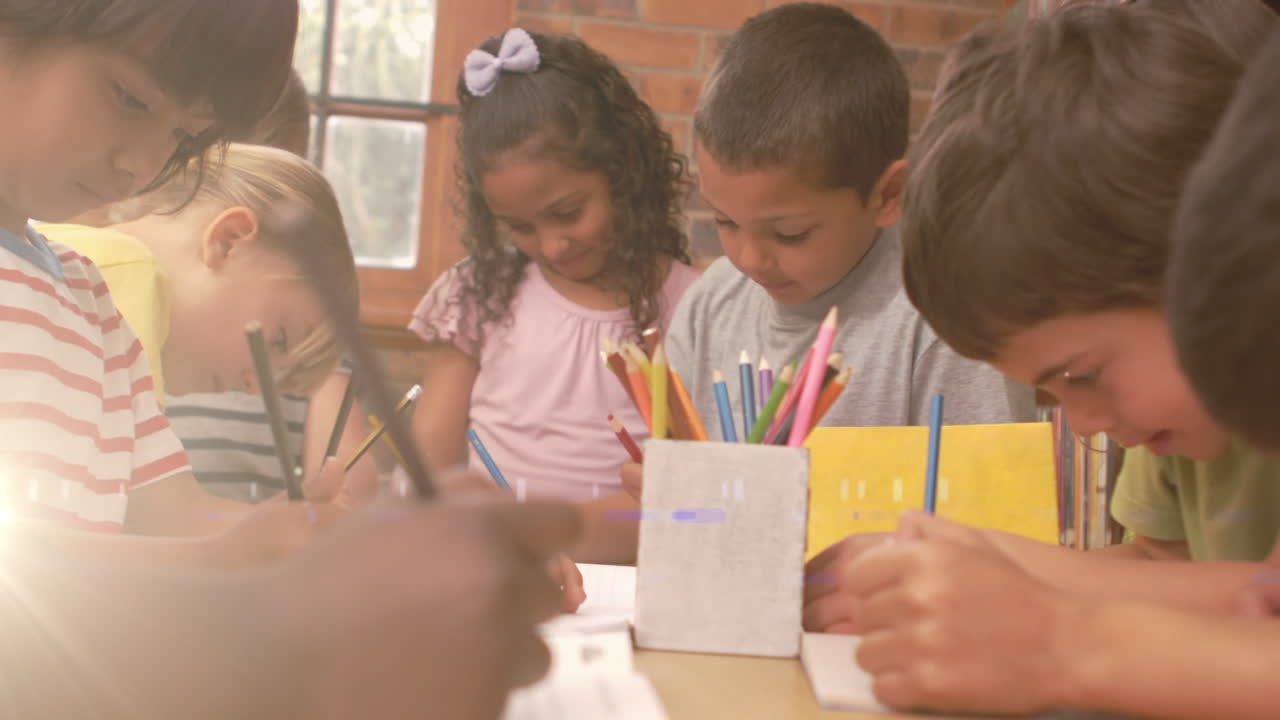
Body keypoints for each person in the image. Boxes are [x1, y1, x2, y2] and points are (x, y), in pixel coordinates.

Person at [0, 2, 577, 716]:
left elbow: (174, 512)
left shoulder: (89, 296)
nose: (144, 164)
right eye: (127, 96)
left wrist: (348, 547)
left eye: (183, 134)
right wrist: (250, 596)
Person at [820, 8, 1280, 717]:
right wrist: (974, 564)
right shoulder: (1179, 409)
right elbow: (1210, 586)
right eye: (1052, 394)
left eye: (1085, 375)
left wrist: (1060, 644)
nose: (1088, 425)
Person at [410, 28, 700, 564]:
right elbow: (424, 467)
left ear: (623, 172)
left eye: (568, 213)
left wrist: (543, 537)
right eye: (519, 226)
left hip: (625, 584)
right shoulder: (481, 292)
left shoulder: (695, 308)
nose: (551, 244)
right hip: (495, 571)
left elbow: (686, 499)